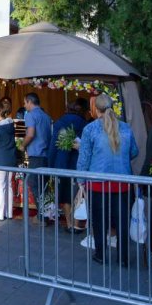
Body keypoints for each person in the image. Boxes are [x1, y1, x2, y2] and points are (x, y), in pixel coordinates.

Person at [76, 92, 140, 267]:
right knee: (122, 222)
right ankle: (123, 258)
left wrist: (80, 179)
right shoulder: (126, 128)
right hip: (123, 183)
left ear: (96, 109)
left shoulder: (90, 129)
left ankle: (100, 255)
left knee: (99, 221)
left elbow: (84, 158)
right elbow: (134, 152)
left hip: (97, 183)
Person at [49, 99, 88, 231]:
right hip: (79, 163)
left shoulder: (60, 122)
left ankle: (70, 223)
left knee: (65, 193)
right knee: (78, 192)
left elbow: (53, 146)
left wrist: (51, 164)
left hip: (62, 163)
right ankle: (78, 224)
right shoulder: (86, 125)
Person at [22, 93, 53, 221]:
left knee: (35, 184)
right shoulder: (46, 116)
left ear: (30, 102)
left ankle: (42, 217)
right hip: (46, 155)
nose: (24, 106)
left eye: (25, 103)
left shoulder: (30, 115)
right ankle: (46, 215)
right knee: (44, 186)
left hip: (36, 156)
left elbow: (30, 134)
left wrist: (22, 146)